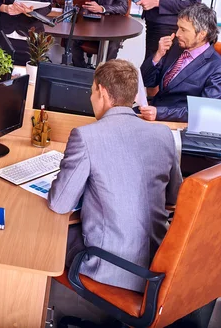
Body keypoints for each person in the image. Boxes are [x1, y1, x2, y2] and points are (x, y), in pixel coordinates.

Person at [48, 59, 182, 292]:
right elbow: (174, 198)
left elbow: (59, 204)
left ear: (102, 91)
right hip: (157, 264)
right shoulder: (163, 134)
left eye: (91, 92)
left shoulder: (86, 136)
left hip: (108, 265)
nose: (90, 98)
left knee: (44, 234)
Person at [140, 3, 221, 122]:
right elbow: (147, 81)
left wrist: (160, 114)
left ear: (202, 34)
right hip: (153, 111)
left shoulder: (216, 67)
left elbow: (205, 110)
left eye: (183, 30)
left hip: (176, 123)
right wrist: (158, 55)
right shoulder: (176, 47)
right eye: (178, 27)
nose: (177, 34)